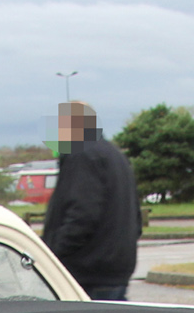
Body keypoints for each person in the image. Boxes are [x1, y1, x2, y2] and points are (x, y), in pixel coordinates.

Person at [43, 101, 139, 301]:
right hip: (114, 267)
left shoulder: (81, 154)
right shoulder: (114, 155)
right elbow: (135, 217)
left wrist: (51, 256)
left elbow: (82, 214)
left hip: (88, 271)